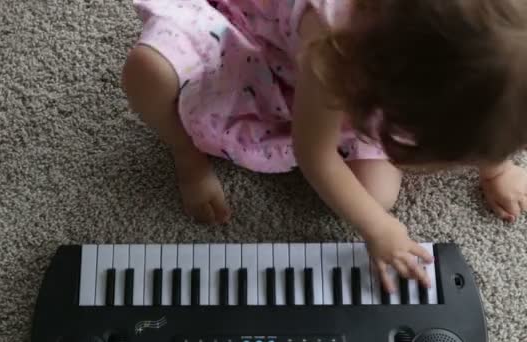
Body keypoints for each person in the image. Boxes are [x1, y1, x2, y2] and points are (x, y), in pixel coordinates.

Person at [121, 0, 527, 292]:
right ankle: (185, 152)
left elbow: (497, 100)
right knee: (150, 71)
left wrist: (497, 169)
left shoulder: (493, 42)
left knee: (377, 193)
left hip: (363, 83)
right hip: (245, 35)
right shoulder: (338, 48)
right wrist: (377, 228)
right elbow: (313, 153)